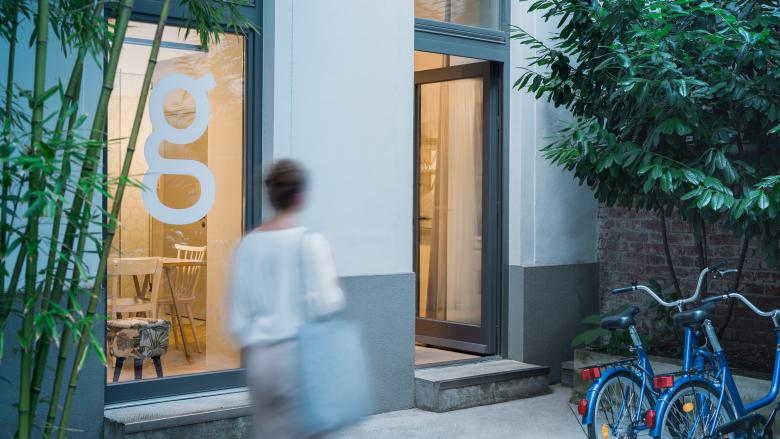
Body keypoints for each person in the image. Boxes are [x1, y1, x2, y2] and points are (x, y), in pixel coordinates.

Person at [228, 159, 345, 439]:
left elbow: (237, 317)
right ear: (301, 196)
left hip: (260, 359)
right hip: (299, 356)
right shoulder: (311, 243)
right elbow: (329, 302)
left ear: (271, 197)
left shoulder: (247, 245)